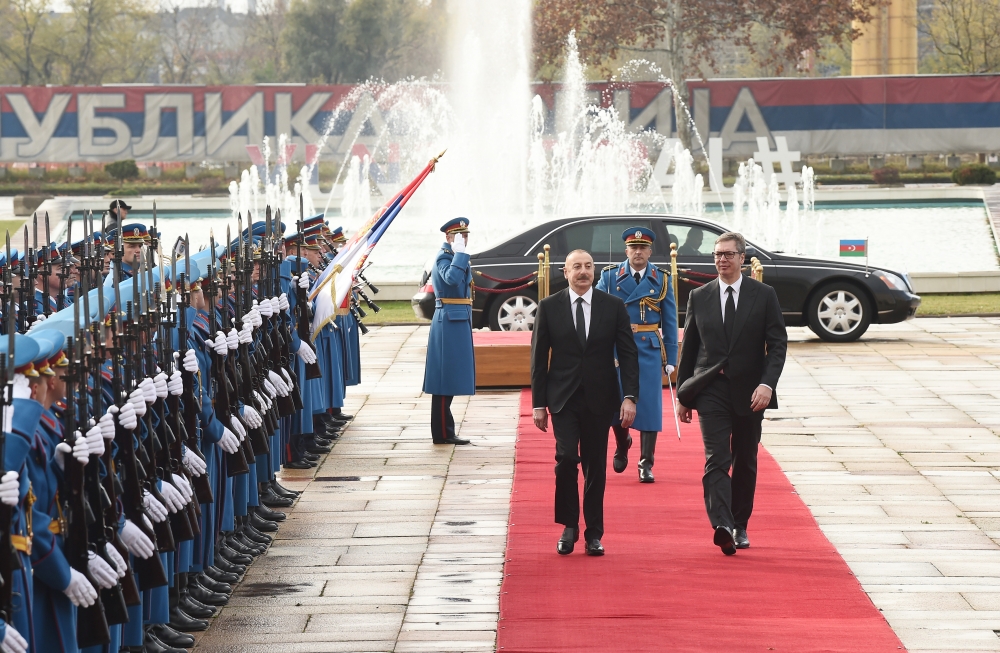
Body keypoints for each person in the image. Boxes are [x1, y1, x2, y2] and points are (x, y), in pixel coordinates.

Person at [675, 231, 787, 555]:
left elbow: (777, 345)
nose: (721, 260)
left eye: (728, 254)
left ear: (742, 258)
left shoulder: (763, 295)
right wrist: (684, 395)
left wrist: (767, 384)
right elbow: (690, 348)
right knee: (716, 459)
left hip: (752, 391)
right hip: (711, 388)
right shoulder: (700, 296)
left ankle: (740, 525)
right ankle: (721, 524)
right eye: (717, 255)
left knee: (745, 460)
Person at [531, 249, 639, 556]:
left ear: (595, 272)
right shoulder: (549, 307)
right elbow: (539, 358)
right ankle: (569, 526)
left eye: (588, 266)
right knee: (566, 459)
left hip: (600, 398)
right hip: (562, 398)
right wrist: (539, 404)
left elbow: (628, 355)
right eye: (576, 267)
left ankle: (594, 532)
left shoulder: (613, 306)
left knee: (595, 466)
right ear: (565, 272)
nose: (583, 271)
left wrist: (629, 397)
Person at [597, 227, 678, 483]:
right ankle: (623, 443)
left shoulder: (661, 279)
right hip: (617, 347)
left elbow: (670, 321)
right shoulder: (610, 276)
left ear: (650, 251)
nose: (638, 252)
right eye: (634, 248)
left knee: (649, 406)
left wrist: (672, 358)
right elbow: (597, 309)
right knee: (616, 400)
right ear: (626, 250)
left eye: (643, 248)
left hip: (649, 348)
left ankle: (646, 462)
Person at [422, 218, 475, 446]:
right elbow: (451, 279)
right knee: (444, 379)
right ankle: (443, 432)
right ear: (448, 237)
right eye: (458, 235)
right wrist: (461, 255)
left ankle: (445, 430)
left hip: (458, 318)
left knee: (450, 377)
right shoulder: (445, 257)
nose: (463, 239)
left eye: (465, 235)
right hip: (449, 319)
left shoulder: (453, 256)